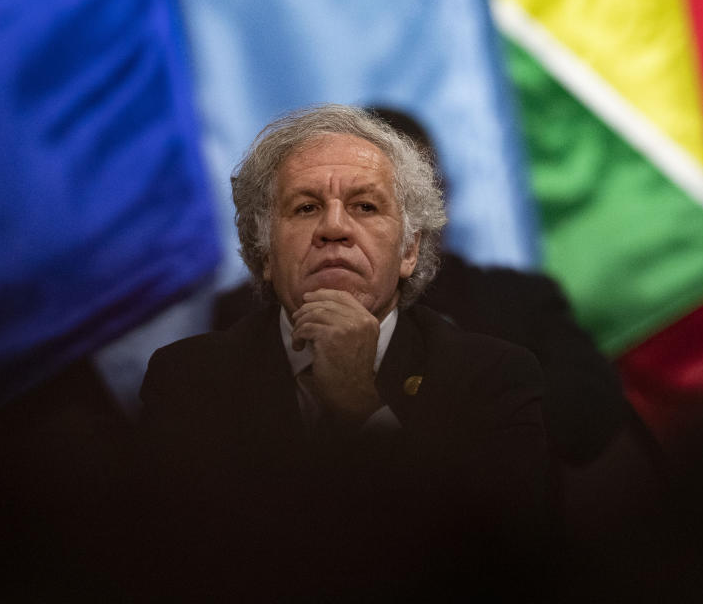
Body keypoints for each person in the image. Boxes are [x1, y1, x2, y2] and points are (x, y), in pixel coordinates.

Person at [136, 105, 557, 599]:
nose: (333, 228)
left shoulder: (492, 377)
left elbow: (509, 563)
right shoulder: (188, 378)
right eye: (306, 207)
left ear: (409, 251)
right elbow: (173, 566)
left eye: (365, 207)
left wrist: (364, 406)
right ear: (265, 252)